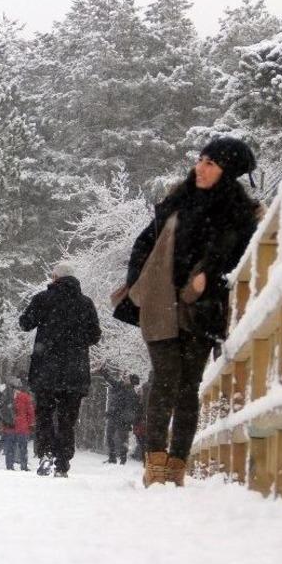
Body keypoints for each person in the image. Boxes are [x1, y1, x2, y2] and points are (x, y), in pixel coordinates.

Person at [117, 137, 259, 487]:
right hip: (161, 301)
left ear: (228, 172)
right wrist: (140, 283)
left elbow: (237, 256)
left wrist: (207, 276)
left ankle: (177, 464)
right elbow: (144, 243)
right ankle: (155, 464)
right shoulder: (176, 203)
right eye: (200, 159)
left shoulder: (239, 215)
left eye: (211, 163)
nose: (201, 167)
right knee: (165, 378)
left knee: (188, 386)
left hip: (203, 309)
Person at [20, 262, 101, 478]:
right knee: (67, 418)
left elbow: (25, 323)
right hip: (75, 372)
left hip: (46, 370)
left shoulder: (43, 299)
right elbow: (95, 335)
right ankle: (62, 462)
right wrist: (75, 341)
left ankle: (46, 453)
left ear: (55, 277)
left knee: (45, 413)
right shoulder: (85, 304)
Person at [97, 366, 142, 465]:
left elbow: (130, 409)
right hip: (114, 416)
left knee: (122, 439)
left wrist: (126, 418)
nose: (125, 379)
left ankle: (122, 459)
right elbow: (111, 381)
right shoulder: (120, 386)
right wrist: (103, 372)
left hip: (122, 419)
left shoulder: (132, 394)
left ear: (131, 382)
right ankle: (113, 458)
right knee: (111, 437)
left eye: (127, 378)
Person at [0, 378, 35, 471]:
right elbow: (30, 412)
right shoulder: (25, 397)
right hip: (22, 427)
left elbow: (1, 411)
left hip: (9, 426)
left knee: (10, 448)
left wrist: (3, 425)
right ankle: (23, 466)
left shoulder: (6, 396)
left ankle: (9, 466)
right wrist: (31, 424)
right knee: (23, 447)